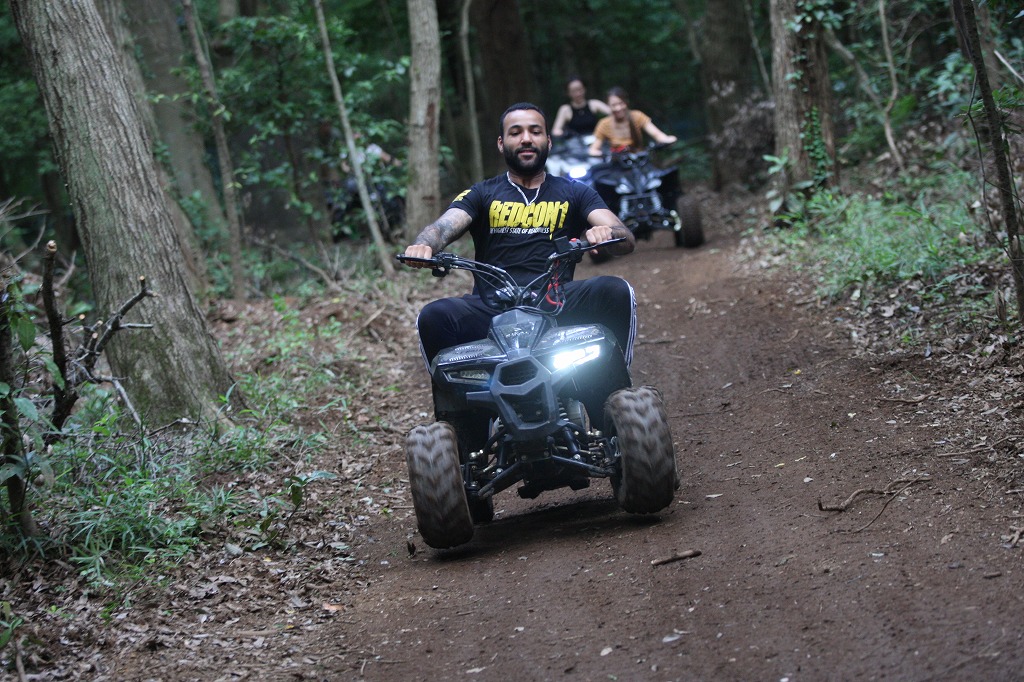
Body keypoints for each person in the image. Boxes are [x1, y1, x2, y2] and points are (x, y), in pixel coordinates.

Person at [401, 102, 638, 372]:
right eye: (516, 133)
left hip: (556, 301)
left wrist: (607, 233)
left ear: (548, 141)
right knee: (433, 315)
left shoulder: (576, 191)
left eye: (535, 132)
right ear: (501, 144)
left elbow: (624, 237)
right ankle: (452, 399)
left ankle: (616, 387)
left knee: (616, 290)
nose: (526, 139)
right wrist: (424, 245)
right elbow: (442, 227)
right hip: (491, 305)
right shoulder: (482, 193)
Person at [588, 87, 677, 157]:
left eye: (621, 103)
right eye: (614, 105)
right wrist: (603, 155)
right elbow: (594, 149)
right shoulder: (604, 124)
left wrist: (667, 139)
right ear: (608, 106)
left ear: (626, 102)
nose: (618, 108)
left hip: (639, 159)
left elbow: (657, 134)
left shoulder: (637, 116)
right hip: (618, 164)